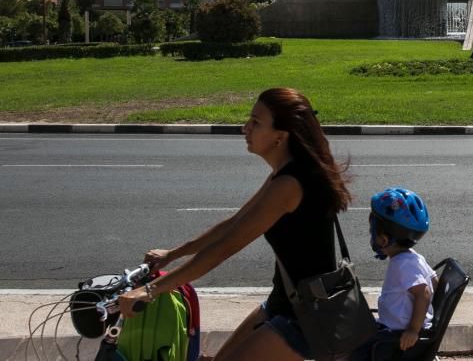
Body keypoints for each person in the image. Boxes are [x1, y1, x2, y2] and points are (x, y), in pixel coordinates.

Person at [118, 87, 352, 361]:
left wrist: (150, 291)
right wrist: (173, 254)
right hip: (285, 303)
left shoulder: (290, 184)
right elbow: (235, 222)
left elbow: (224, 248)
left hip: (304, 319)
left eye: (256, 122)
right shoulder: (285, 173)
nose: (245, 128)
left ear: (280, 136)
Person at [350, 188, 435, 361]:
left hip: (395, 338)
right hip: (392, 329)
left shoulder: (402, 265)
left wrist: (413, 329)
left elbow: (424, 293)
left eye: (371, 231)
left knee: (352, 350)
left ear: (383, 240)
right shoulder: (412, 256)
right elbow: (434, 280)